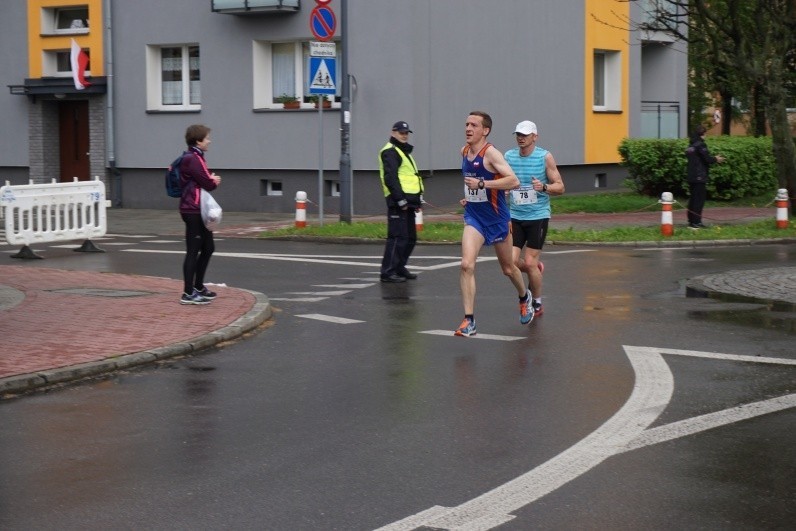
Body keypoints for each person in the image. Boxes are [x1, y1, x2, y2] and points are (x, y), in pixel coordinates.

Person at [455, 111, 533, 337]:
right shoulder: (464, 151)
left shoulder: (491, 154)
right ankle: (469, 321)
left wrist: (482, 184)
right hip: (474, 217)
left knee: (508, 268)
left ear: (485, 130)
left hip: (497, 220)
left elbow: (513, 180)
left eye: (474, 125)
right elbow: (472, 185)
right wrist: (469, 196)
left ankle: (523, 296)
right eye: (467, 124)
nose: (468, 128)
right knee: (466, 265)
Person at [505, 120, 565, 318]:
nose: (521, 138)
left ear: (534, 136)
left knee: (529, 262)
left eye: (525, 134)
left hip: (538, 216)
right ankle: (536, 270)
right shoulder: (509, 156)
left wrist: (545, 187)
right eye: (518, 134)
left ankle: (536, 303)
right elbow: (502, 180)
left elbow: (560, 187)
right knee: (510, 263)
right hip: (515, 215)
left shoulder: (544, 157)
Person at [179, 124, 221, 305]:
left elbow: (201, 180)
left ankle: (198, 286)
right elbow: (208, 184)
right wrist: (214, 180)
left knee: (208, 247)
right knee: (193, 250)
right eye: (207, 138)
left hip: (198, 208)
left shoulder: (196, 156)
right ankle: (188, 293)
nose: (209, 141)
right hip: (192, 209)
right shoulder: (193, 158)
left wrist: (208, 179)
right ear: (198, 141)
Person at [378, 121, 424, 283]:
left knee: (410, 238)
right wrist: (401, 200)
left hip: (409, 202)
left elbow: (411, 178)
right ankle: (388, 272)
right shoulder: (390, 152)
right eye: (401, 132)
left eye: (406, 133)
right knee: (398, 237)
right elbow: (391, 179)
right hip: (399, 202)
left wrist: (416, 201)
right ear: (393, 133)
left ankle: (399, 266)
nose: (404, 135)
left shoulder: (403, 151)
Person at [685, 125, 725, 229]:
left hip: (691, 176)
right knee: (699, 200)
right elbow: (707, 159)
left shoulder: (691, 146)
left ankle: (691, 221)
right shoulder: (701, 145)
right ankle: (697, 222)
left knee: (693, 199)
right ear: (703, 134)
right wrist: (716, 159)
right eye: (705, 134)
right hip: (699, 176)